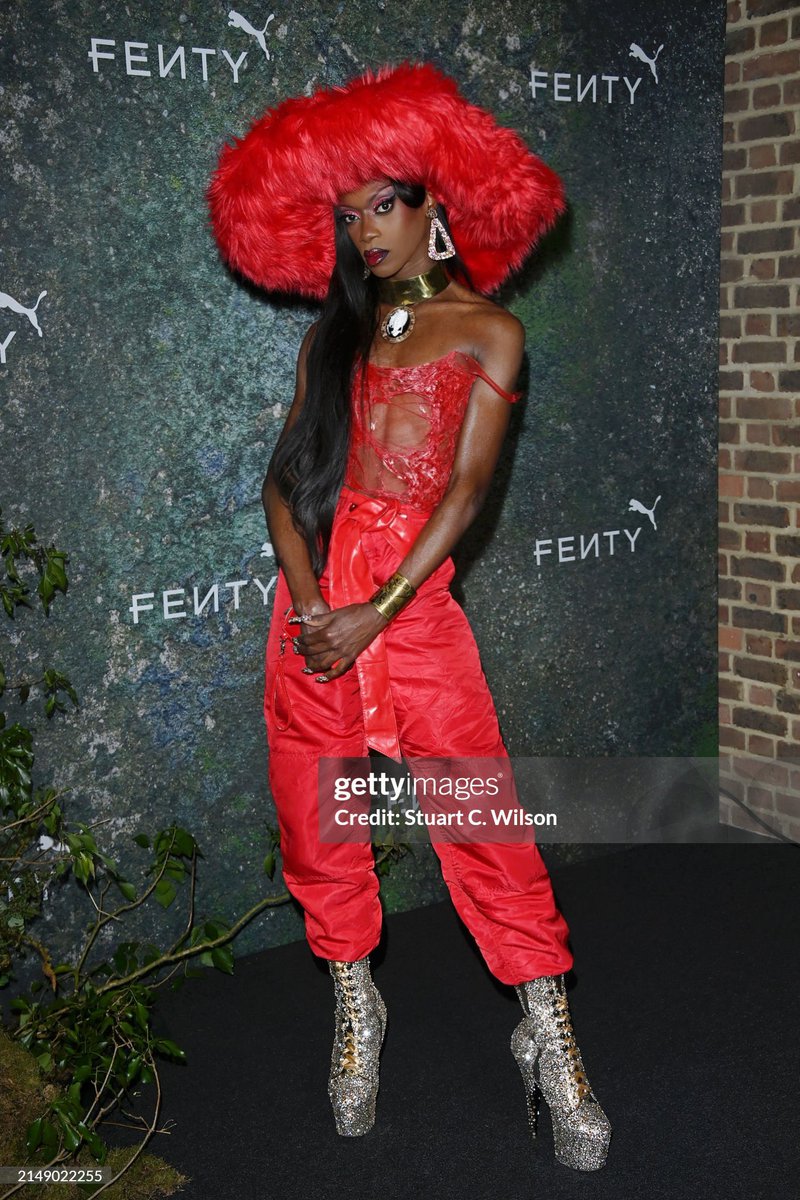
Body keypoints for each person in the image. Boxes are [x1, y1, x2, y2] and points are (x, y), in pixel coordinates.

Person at [209, 62, 611, 1171]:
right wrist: (308, 603)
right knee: (318, 815)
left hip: (412, 607)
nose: (365, 230)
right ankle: (355, 1005)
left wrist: (376, 610)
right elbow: (283, 484)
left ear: (435, 205)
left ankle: (551, 1031)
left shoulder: (488, 332)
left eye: (382, 203)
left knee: (481, 816)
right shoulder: (327, 338)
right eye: (348, 214)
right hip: (318, 606)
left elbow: (466, 497)